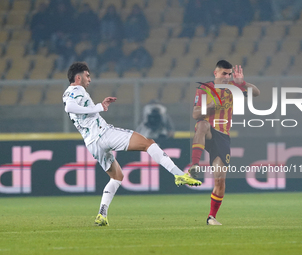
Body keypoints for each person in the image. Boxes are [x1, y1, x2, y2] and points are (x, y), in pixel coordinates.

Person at [62, 62, 201, 226]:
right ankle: (179, 174)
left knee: (117, 176)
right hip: (103, 134)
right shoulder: (76, 90)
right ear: (78, 77)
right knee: (148, 143)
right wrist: (99, 107)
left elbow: (75, 108)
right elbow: (69, 108)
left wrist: (98, 106)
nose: (89, 79)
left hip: (92, 143)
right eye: (87, 75)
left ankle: (102, 214)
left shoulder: (68, 93)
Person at [188, 60, 260, 225]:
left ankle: (211, 217)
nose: (227, 77)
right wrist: (212, 105)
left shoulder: (234, 87)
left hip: (223, 136)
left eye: (229, 74)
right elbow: (195, 114)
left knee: (220, 180)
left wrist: (243, 83)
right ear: (216, 73)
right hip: (207, 132)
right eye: (224, 74)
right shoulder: (204, 89)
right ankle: (194, 165)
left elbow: (256, 93)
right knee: (202, 124)